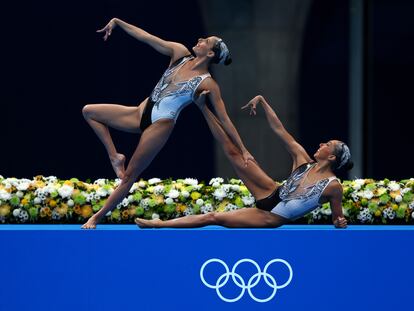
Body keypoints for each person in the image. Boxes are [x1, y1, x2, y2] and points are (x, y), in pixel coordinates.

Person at [81, 18, 253, 229]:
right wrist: (118, 23)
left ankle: (96, 217)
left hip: (160, 124)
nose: (199, 39)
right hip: (139, 112)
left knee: (129, 176)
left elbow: (225, 119)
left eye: (205, 41)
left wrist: (243, 149)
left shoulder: (207, 83)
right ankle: (114, 156)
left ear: (209, 54)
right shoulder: (179, 53)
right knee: (89, 112)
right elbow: (147, 37)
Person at [135, 94, 352, 229]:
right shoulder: (303, 159)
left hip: (270, 216)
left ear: (332, 157)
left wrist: (339, 222)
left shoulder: (333, 186)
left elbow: (337, 218)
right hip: (269, 191)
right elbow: (279, 129)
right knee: (234, 152)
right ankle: (202, 107)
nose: (322, 144)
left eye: (327, 145)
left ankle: (159, 225)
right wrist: (263, 101)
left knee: (214, 217)